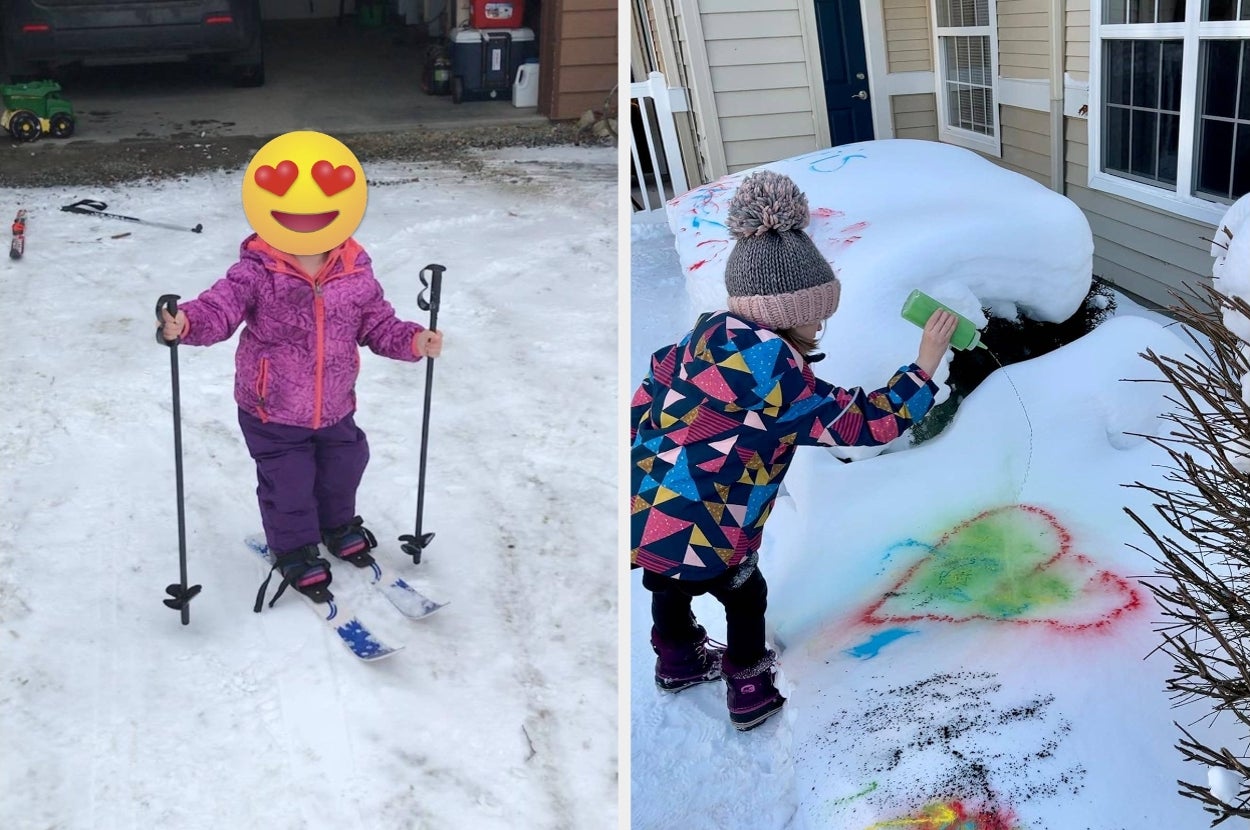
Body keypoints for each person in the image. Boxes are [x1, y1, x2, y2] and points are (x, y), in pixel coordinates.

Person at [630, 170, 956, 731]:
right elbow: (864, 424)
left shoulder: (690, 345)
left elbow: (641, 408)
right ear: (785, 313)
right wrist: (925, 365)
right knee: (743, 594)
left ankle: (678, 660)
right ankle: (750, 686)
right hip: (718, 524)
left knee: (666, 581)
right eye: (816, 312)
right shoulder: (775, 378)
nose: (823, 323)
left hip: (653, 511)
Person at [158, 239, 443, 609]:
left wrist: (414, 340)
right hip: (271, 409)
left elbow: (377, 323)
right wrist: (188, 322)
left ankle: (336, 524)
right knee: (290, 482)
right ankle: (294, 547)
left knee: (346, 465)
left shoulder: (353, 267)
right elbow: (220, 307)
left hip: (335, 406)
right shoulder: (258, 268)